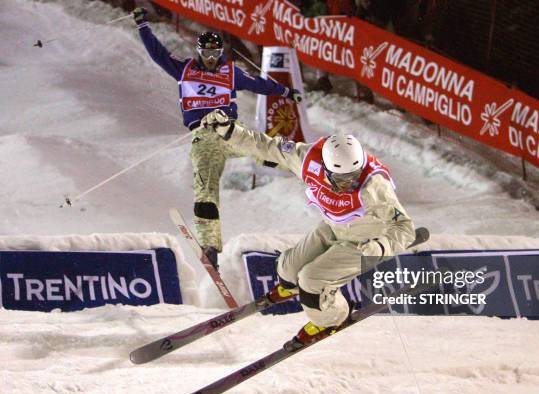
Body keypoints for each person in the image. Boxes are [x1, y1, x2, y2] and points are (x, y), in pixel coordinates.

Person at [203, 109, 416, 347]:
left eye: (353, 177)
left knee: (311, 280)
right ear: (326, 168)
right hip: (334, 227)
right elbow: (268, 146)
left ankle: (334, 318)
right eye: (342, 179)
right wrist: (230, 131)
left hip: (364, 242)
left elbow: (405, 228)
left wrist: (381, 246)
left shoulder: (374, 185)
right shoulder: (307, 159)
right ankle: (291, 287)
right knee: (287, 268)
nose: (350, 184)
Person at [132, 8, 302, 269]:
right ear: (199, 52)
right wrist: (144, 27)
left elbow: (259, 84)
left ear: (220, 52)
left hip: (229, 130)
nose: (211, 58)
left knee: (266, 150)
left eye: (215, 53)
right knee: (206, 187)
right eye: (206, 53)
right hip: (203, 137)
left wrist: (286, 91)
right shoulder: (184, 69)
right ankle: (210, 245)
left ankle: (307, 164)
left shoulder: (230, 72)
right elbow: (158, 54)